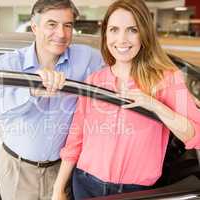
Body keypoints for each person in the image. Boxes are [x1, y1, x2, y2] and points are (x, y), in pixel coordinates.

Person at [52, 0, 200, 199]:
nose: (121, 39)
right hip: (85, 185)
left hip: (136, 192)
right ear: (105, 34)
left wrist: (155, 105)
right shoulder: (94, 80)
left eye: (132, 30)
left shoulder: (167, 79)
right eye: (114, 29)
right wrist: (58, 188)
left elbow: (195, 134)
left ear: (144, 34)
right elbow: (75, 139)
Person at [0, 0, 103, 199]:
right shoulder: (10, 63)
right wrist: (30, 91)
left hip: (62, 171)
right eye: (52, 24)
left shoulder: (87, 58)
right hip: (18, 169)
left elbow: (118, 72)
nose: (61, 33)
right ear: (34, 27)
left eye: (67, 25)